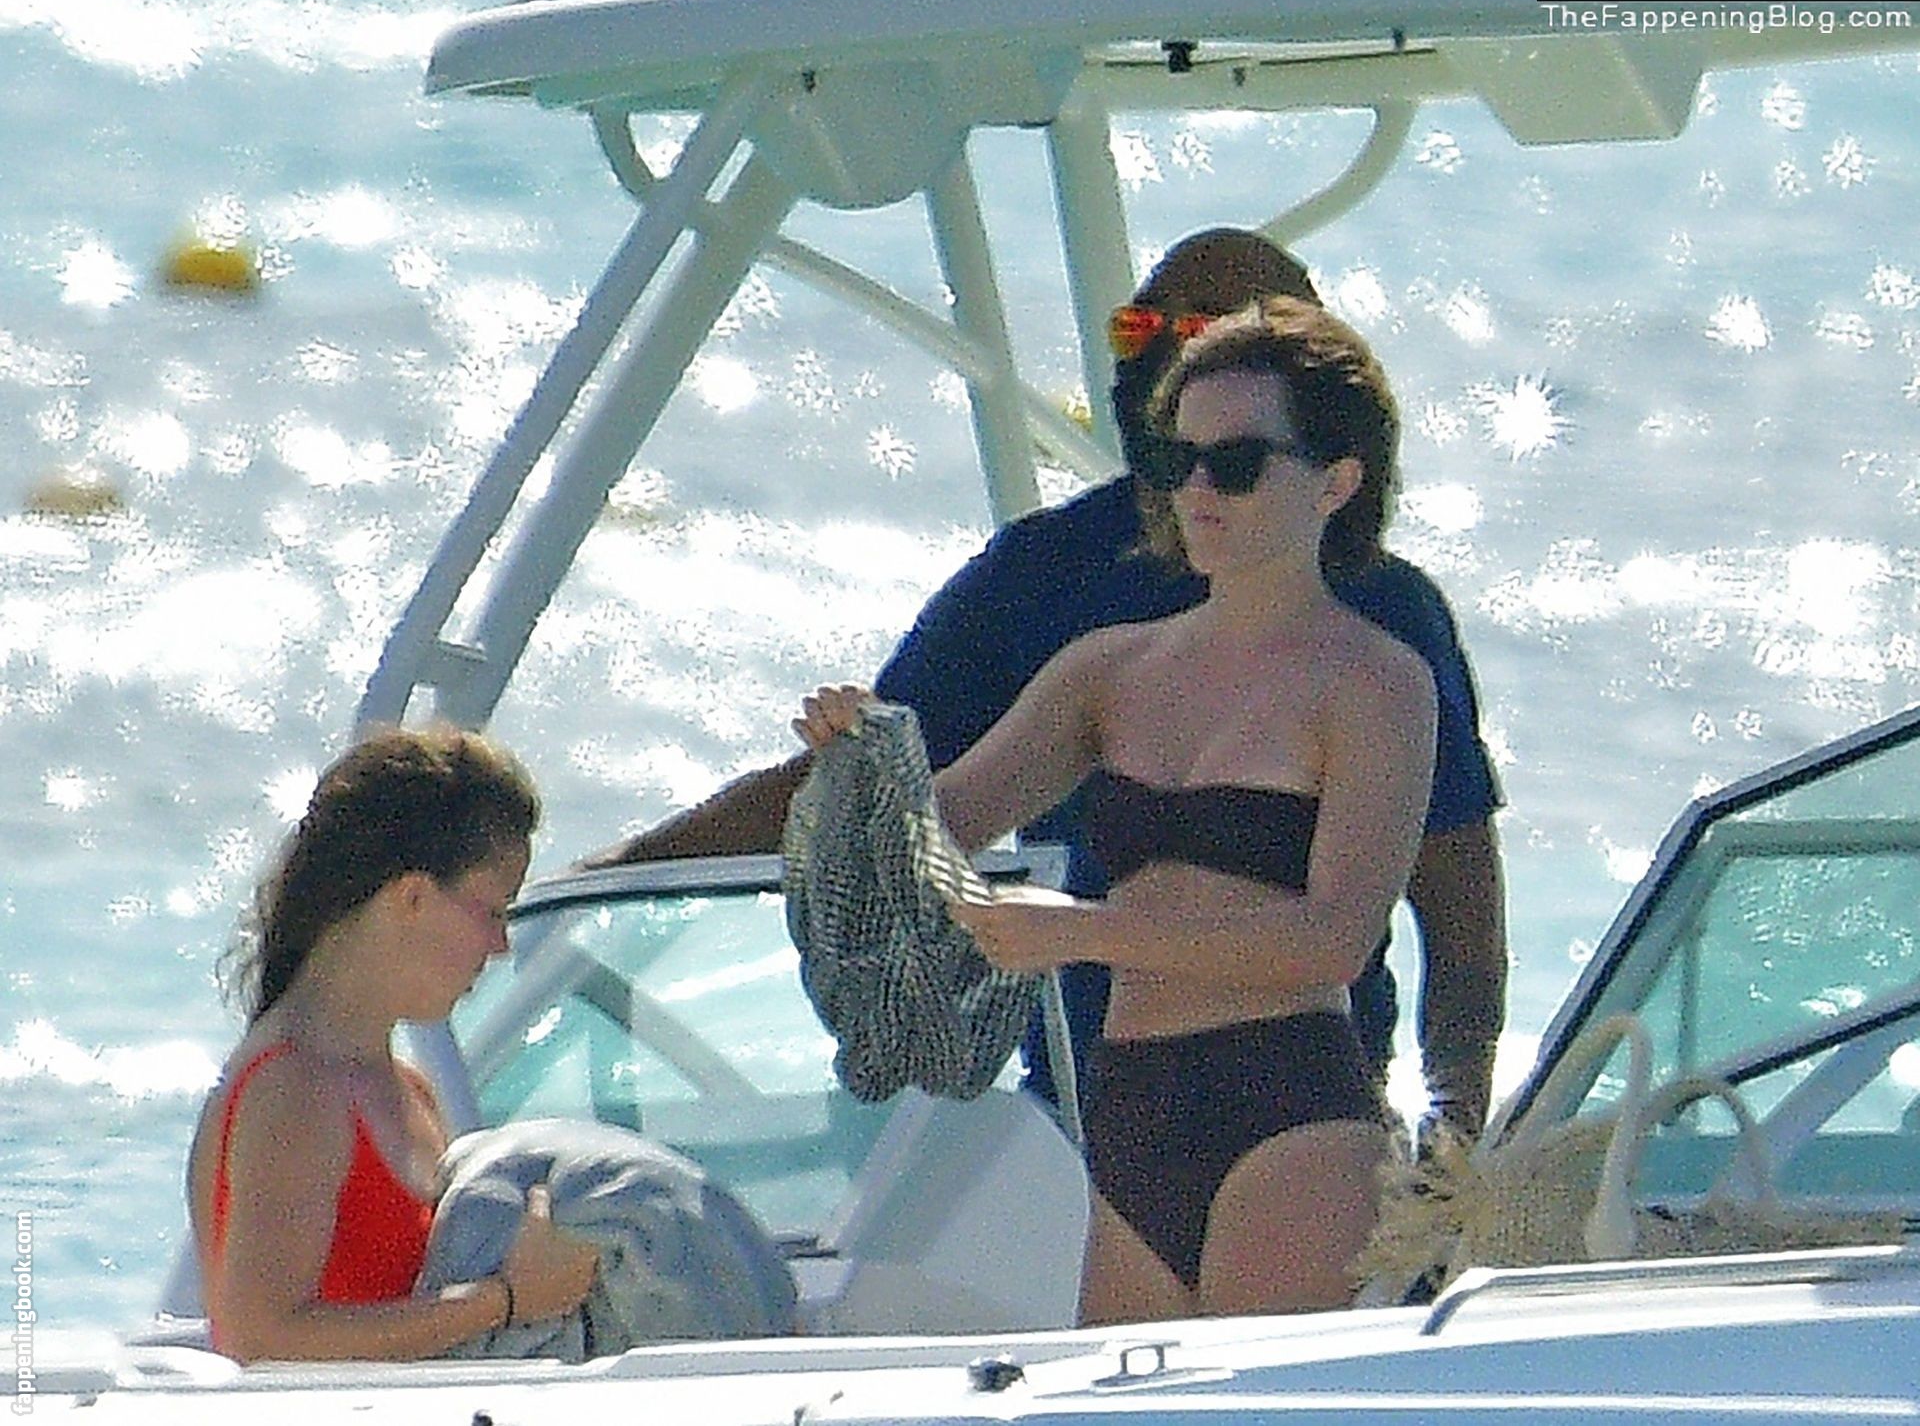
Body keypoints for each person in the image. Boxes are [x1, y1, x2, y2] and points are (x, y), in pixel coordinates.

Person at [582, 227, 1507, 1138]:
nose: (1167, 357)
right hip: (1089, 1107)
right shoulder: (1054, 585)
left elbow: (1454, 917)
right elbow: (917, 818)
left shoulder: (1385, 630)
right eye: (1140, 329)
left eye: (1201, 334)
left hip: (1303, 1110)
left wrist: (1453, 1142)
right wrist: (839, 779)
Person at [796, 295, 1433, 1318]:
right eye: (1179, 459)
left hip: (1291, 1104)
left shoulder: (1376, 680)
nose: (1197, 489)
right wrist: (864, 761)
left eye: (1236, 463)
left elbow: (1334, 941)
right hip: (1126, 1100)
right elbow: (936, 833)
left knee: (1263, 1396)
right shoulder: (1109, 670)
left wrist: (1084, 932)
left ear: (1337, 481)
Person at [187, 726, 600, 1362]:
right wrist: (506, 1299)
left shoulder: (408, 1089)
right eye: (493, 911)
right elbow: (260, 1338)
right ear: (412, 897)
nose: (500, 946)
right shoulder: (294, 1088)